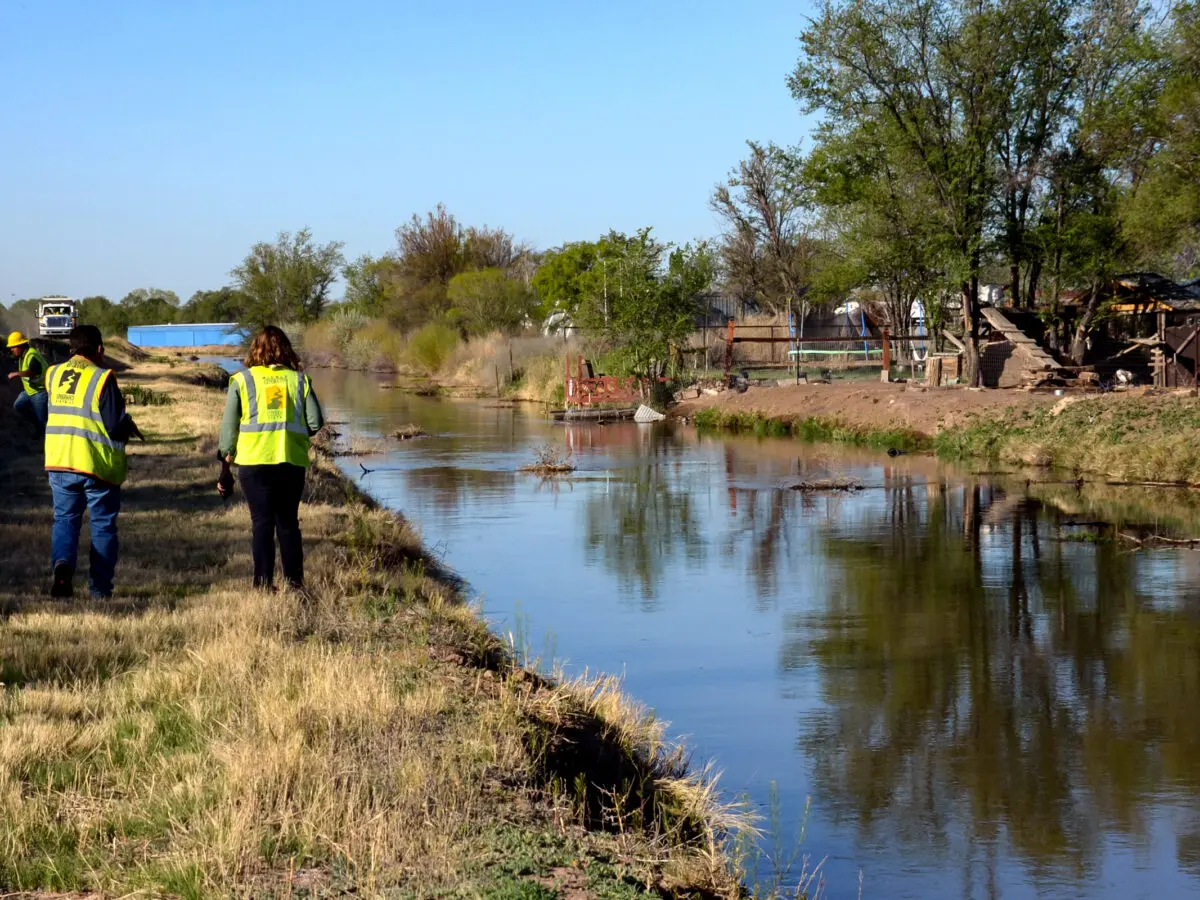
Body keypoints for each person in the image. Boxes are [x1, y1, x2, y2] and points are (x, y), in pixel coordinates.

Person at [217, 326, 324, 589]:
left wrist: (224, 468)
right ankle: (295, 583)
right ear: (286, 349)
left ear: (256, 349)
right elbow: (315, 422)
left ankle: (263, 584)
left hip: (254, 463)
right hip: (290, 460)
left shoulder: (242, 381)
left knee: (262, 523)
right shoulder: (299, 380)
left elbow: (229, 430)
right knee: (287, 522)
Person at [44, 325, 142, 599]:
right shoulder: (102, 378)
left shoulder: (53, 374)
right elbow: (112, 425)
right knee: (102, 525)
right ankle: (99, 590)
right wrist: (127, 425)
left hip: (59, 461)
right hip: (95, 465)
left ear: (72, 349)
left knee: (64, 520)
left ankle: (62, 567)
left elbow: (46, 409)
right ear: (99, 350)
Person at [7, 331, 49, 432]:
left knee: (41, 420)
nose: (11, 349)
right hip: (30, 390)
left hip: (40, 392)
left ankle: (43, 437)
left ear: (21, 346)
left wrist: (17, 374)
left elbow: (33, 371)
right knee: (18, 406)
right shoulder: (23, 355)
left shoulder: (31, 355)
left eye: (13, 347)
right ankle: (37, 425)